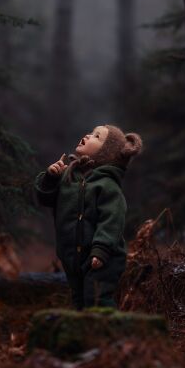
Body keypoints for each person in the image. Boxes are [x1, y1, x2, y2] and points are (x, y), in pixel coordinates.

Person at [34, 125, 143, 310]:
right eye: (92, 132)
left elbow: (112, 221)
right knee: (78, 300)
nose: (87, 135)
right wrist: (51, 178)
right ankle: (83, 335)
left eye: (96, 136)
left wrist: (101, 249)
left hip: (102, 258)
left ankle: (108, 334)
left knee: (97, 299)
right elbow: (45, 198)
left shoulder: (107, 186)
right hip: (72, 258)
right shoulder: (68, 176)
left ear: (106, 153)